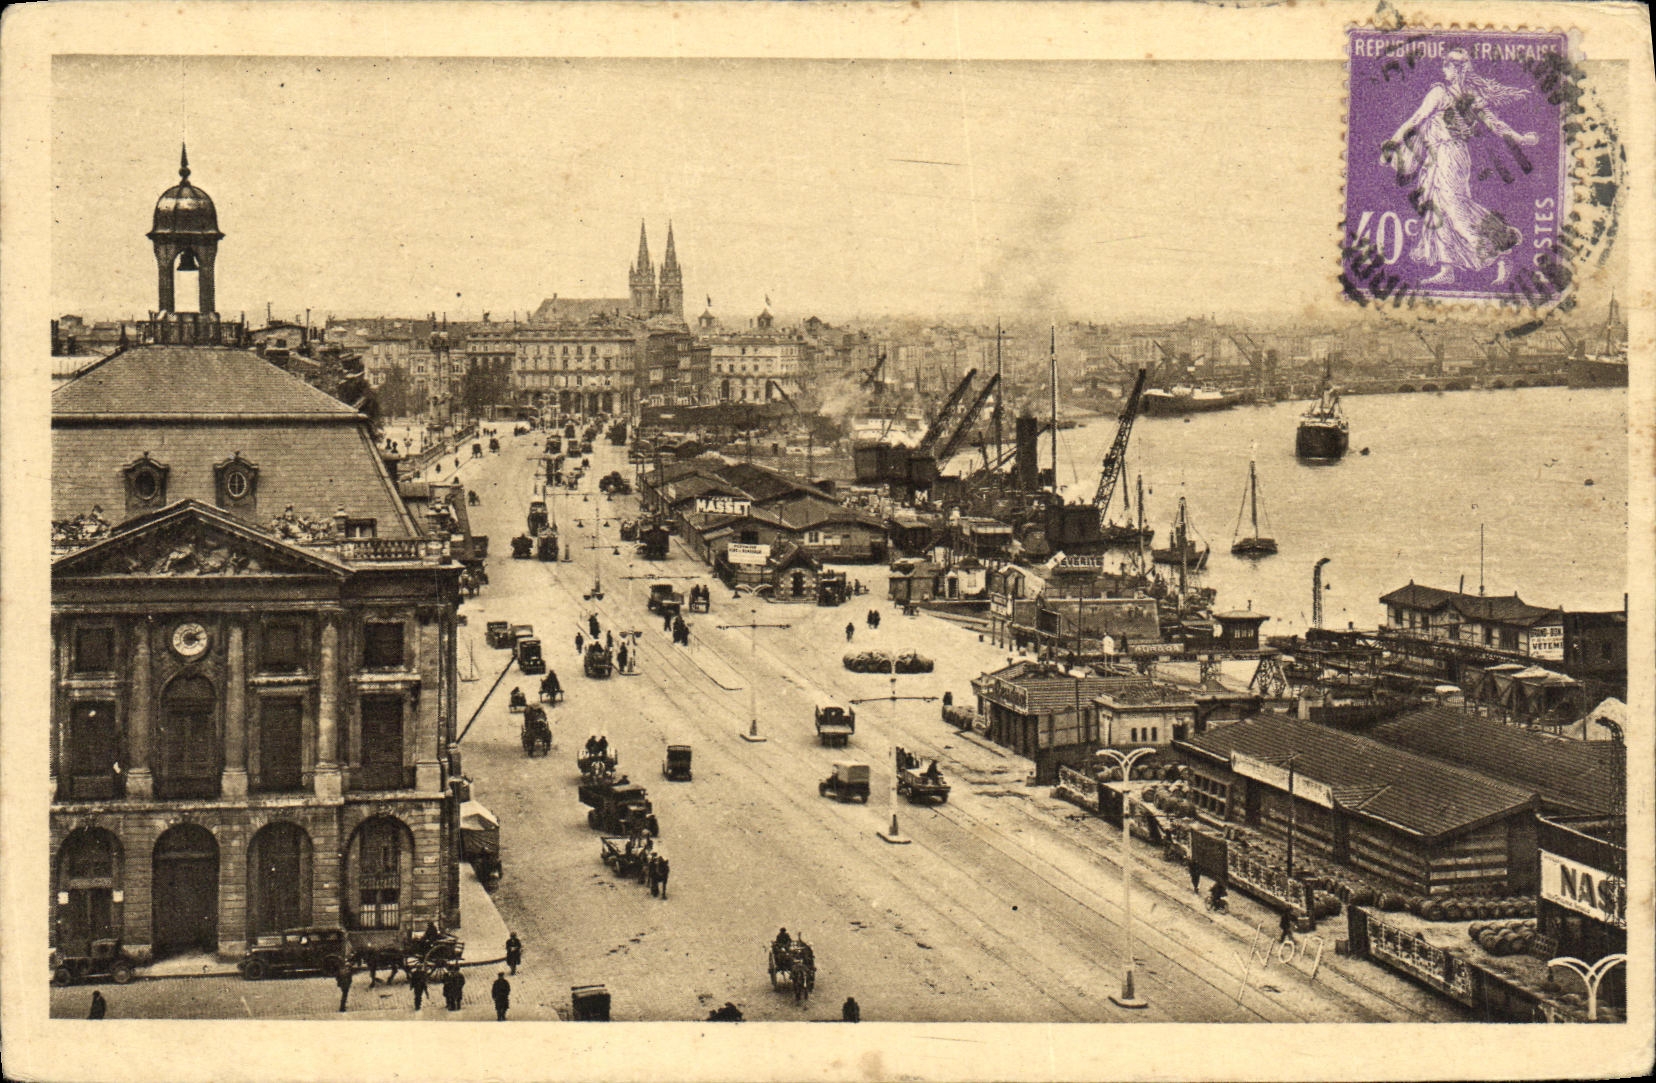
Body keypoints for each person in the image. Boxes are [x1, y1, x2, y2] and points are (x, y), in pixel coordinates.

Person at [1381, 48, 1538, 287]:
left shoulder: (1441, 92)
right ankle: (1447, 269)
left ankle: (1502, 252)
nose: (1445, 70)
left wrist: (1393, 143)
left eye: (1448, 66)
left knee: (1455, 210)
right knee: (1438, 209)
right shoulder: (1467, 96)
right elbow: (1496, 124)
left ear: (1452, 69)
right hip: (1440, 157)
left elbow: (1416, 119)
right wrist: (1520, 138)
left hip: (1449, 156)